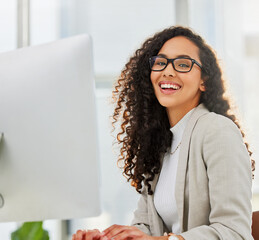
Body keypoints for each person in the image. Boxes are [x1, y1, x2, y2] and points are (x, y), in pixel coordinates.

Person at [72, 26, 254, 240]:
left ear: (204, 80)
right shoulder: (159, 143)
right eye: (160, 63)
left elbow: (234, 232)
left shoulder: (217, 131)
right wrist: (110, 237)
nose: (168, 71)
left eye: (183, 64)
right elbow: (146, 226)